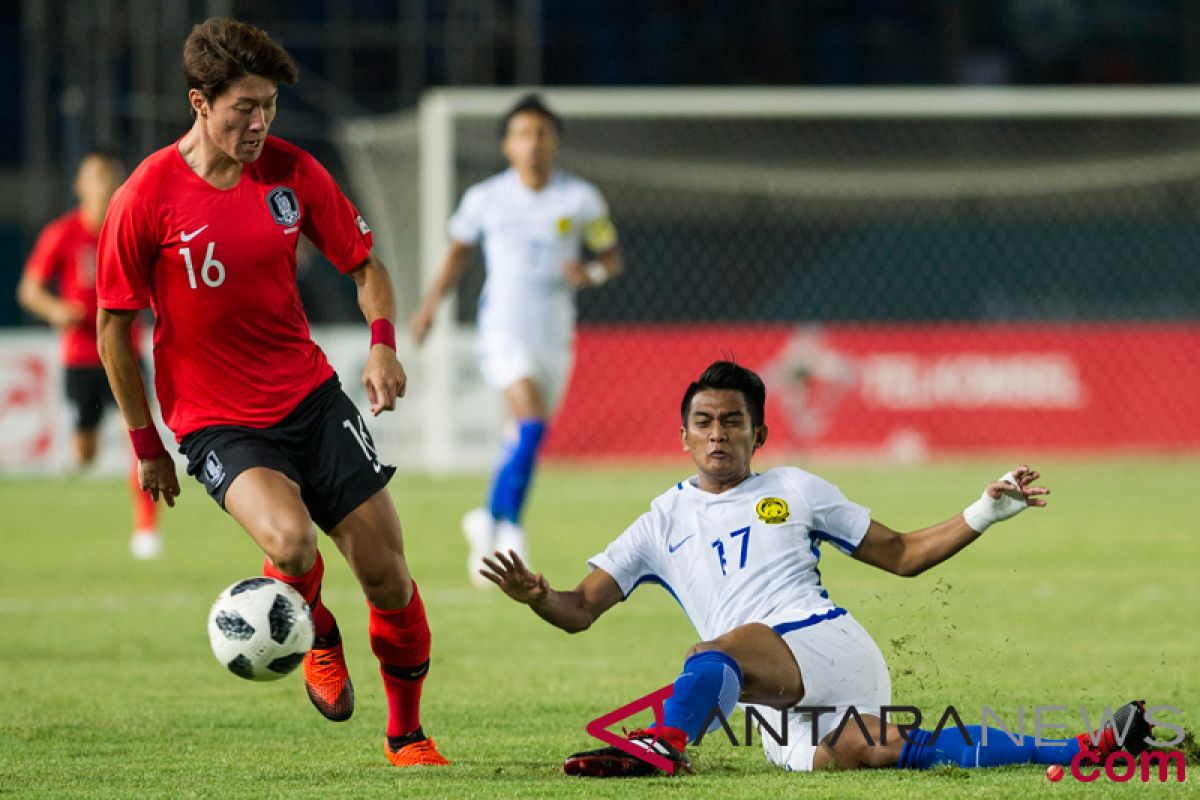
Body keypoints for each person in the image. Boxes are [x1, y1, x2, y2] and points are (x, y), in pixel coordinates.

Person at [481, 361, 1153, 777]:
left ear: (759, 435)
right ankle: (1089, 751)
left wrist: (982, 511)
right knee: (873, 753)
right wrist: (536, 594)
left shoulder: (797, 489)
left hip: (827, 648)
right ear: (682, 436)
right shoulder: (659, 521)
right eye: (704, 422)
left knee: (713, 654)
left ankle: (665, 745)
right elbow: (579, 611)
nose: (718, 433)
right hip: (775, 708)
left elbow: (902, 555)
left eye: (733, 422)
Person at [95, 18, 447, 768]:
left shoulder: (292, 172)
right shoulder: (145, 196)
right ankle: (317, 630)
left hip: (313, 400)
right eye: (244, 108)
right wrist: (144, 444)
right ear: (200, 102)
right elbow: (111, 330)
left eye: (269, 107)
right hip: (217, 422)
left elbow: (365, 267)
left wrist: (382, 345)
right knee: (289, 542)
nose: (259, 124)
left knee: (389, 577)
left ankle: (407, 733)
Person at [409, 93, 623, 585]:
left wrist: (588, 271)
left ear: (555, 142)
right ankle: (510, 530)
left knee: (525, 434)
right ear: (508, 145)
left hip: (553, 330)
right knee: (528, 420)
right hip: (502, 324)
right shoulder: (486, 198)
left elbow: (611, 258)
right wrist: (428, 308)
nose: (533, 144)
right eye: (523, 134)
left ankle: (486, 518)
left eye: (542, 134)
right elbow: (457, 254)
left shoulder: (581, 199)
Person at [17, 151, 162, 559]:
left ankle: (146, 530)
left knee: (140, 439)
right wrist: (56, 310)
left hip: (127, 352)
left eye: (111, 177)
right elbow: (29, 290)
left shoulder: (133, 231)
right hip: (81, 357)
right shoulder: (62, 233)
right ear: (79, 185)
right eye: (96, 176)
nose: (104, 185)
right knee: (87, 451)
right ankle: (77, 457)